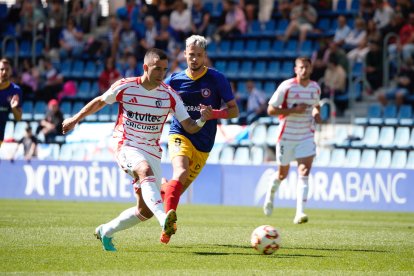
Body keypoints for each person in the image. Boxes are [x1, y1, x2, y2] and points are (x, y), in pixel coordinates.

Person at [62, 48, 212, 251]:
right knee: (144, 171)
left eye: (164, 69)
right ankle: (163, 220)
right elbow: (99, 102)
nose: (161, 74)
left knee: (144, 211)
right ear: (145, 67)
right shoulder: (125, 86)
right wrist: (74, 119)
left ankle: (106, 231)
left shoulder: (170, 95)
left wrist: (203, 118)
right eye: (157, 69)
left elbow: (190, 126)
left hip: (152, 150)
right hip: (126, 144)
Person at [161, 35, 239, 229]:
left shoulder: (217, 79)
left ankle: (163, 188)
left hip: (203, 143)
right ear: (184, 55)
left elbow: (234, 110)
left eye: (198, 55)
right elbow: (160, 103)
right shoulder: (174, 81)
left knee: (176, 189)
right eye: (190, 55)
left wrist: (214, 114)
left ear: (205, 56)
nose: (194, 59)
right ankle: (166, 227)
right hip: (180, 133)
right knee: (181, 171)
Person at [263, 57, 322, 224]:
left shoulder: (315, 88)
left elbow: (316, 105)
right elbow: (270, 109)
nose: (304, 70)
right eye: (301, 67)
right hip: (287, 136)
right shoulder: (286, 86)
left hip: (306, 136)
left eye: (307, 67)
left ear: (311, 69)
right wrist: (293, 110)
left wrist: (316, 113)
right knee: (283, 174)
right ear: (296, 69)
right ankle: (270, 193)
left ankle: (300, 213)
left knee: (304, 172)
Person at [0, 58, 23, 148]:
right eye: (1, 69)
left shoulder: (15, 90)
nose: (4, 72)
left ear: (10, 72)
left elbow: (18, 118)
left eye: (7, 69)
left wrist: (13, 108)